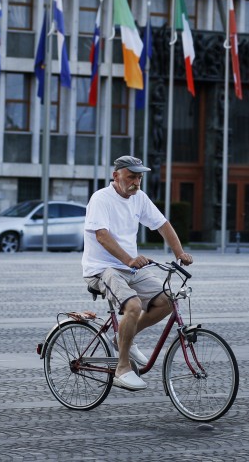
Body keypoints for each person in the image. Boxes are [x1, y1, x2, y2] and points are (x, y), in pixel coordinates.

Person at [82, 155, 193, 391]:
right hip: (102, 268)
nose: (136, 182)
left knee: (167, 300)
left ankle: (122, 337)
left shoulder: (139, 198)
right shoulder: (101, 199)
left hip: (130, 268)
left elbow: (162, 224)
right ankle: (122, 368)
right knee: (132, 305)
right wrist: (130, 259)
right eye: (131, 176)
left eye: (139, 177)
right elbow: (101, 236)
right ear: (116, 176)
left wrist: (179, 253)